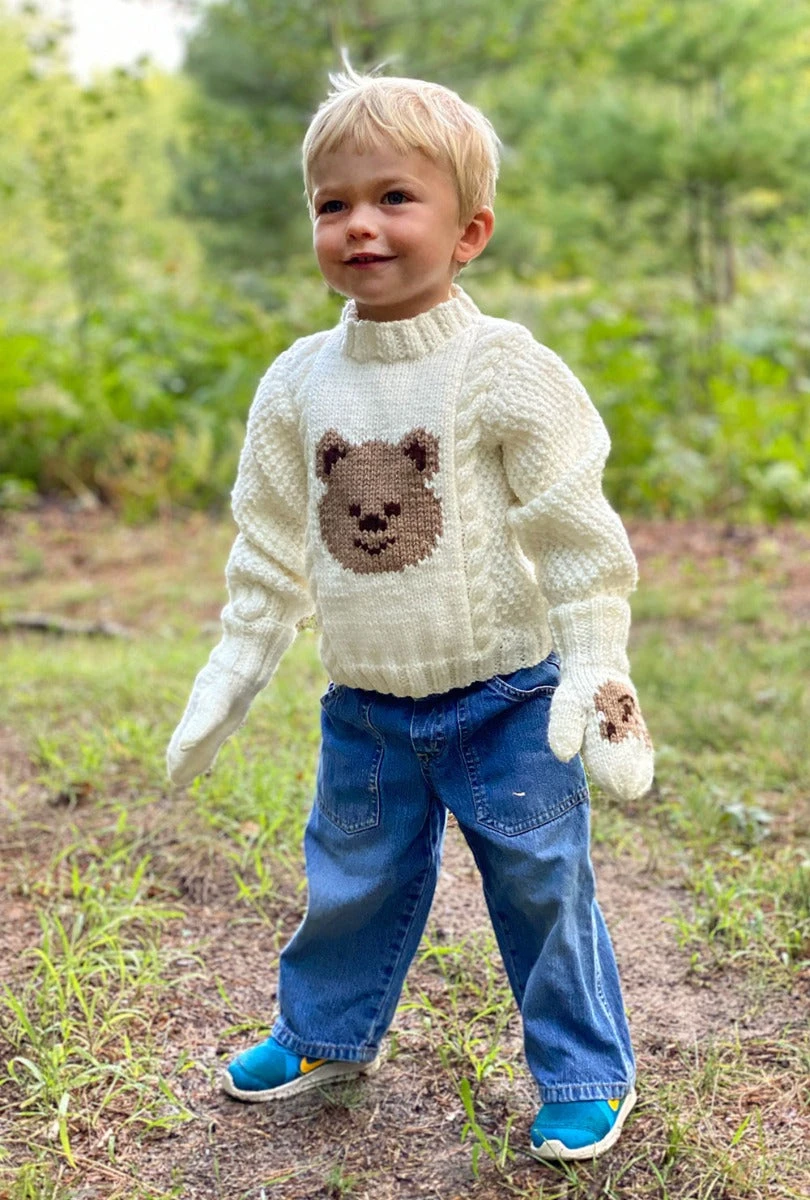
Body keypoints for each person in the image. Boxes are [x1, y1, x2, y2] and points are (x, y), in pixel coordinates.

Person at [166, 62, 654, 1163]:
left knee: (542, 884)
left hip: (508, 701)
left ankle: (584, 1071)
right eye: (332, 203)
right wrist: (236, 664)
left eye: (395, 197)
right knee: (350, 881)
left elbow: (575, 530)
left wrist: (597, 667)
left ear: (470, 231)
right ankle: (325, 1036)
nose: (359, 225)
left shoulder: (504, 368)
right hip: (368, 709)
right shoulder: (299, 382)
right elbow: (271, 539)